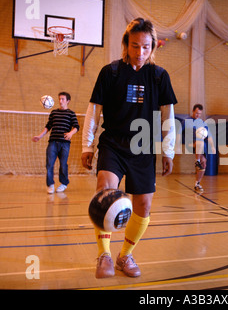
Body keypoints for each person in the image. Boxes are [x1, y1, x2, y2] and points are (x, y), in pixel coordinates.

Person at [81, 18, 177, 279]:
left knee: (143, 206)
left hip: (143, 147)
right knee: (105, 191)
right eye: (135, 46)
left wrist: (168, 151)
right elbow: (94, 111)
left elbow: (168, 115)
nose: (140, 52)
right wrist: (87, 146)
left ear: (153, 47)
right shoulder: (110, 72)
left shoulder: (159, 76)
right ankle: (104, 254)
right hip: (113, 143)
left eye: (146, 47)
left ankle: (125, 255)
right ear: (126, 44)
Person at [32, 92, 79, 194]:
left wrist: (71, 133)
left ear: (68, 101)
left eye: (63, 99)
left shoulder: (71, 113)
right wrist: (39, 136)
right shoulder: (53, 113)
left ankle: (64, 183)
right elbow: (48, 126)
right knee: (49, 164)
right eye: (59, 99)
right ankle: (50, 184)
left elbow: (76, 127)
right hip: (53, 142)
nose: (60, 101)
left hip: (65, 144)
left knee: (63, 164)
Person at [188, 104, 216, 192]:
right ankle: (197, 160)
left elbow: (209, 135)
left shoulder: (202, 123)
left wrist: (212, 146)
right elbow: (179, 132)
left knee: (204, 164)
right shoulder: (187, 121)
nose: (198, 115)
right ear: (193, 111)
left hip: (201, 145)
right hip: (191, 143)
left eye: (200, 114)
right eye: (196, 113)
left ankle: (197, 183)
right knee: (200, 142)